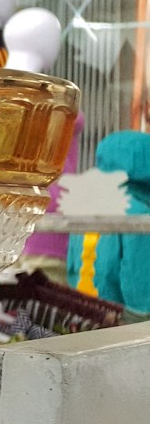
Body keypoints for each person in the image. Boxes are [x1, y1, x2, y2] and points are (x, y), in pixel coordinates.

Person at [65, 130, 150, 312]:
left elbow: (72, 264)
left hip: (81, 308)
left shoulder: (84, 205)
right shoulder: (140, 213)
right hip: (119, 316)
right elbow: (139, 282)